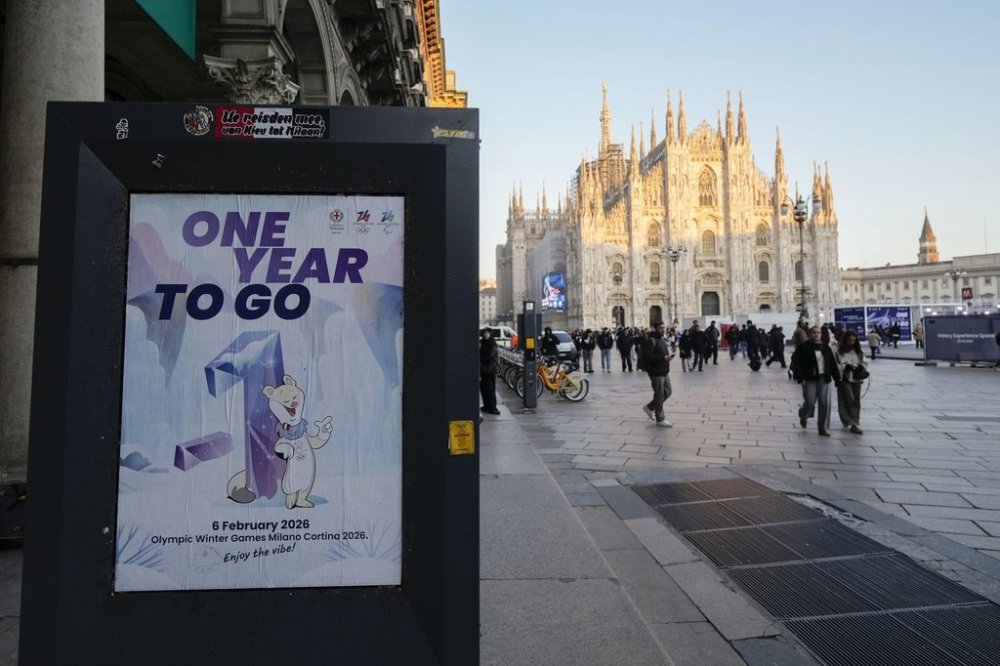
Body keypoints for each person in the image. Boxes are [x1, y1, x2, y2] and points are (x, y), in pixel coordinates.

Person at [790, 326, 842, 436]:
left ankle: (823, 428)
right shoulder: (803, 347)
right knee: (810, 401)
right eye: (814, 332)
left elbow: (832, 364)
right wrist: (800, 378)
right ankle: (803, 415)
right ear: (810, 334)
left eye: (818, 332)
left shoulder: (826, 348)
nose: (816, 334)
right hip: (809, 379)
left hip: (824, 378)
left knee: (825, 403)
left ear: (821, 335)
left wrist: (837, 379)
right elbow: (796, 363)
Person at [640, 321, 674, 427]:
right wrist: (662, 358)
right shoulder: (651, 340)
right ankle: (660, 418)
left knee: (668, 391)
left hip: (664, 370)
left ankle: (650, 407)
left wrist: (667, 358)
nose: (663, 330)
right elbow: (647, 357)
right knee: (659, 394)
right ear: (655, 329)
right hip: (656, 372)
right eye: (660, 328)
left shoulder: (662, 340)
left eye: (664, 328)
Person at [835, 331, 867, 434]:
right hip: (844, 378)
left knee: (856, 400)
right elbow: (835, 365)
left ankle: (855, 423)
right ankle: (849, 420)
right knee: (849, 399)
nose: (851, 342)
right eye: (849, 340)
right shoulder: (838, 351)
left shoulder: (858, 351)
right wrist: (845, 367)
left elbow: (865, 362)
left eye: (853, 340)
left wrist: (860, 367)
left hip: (857, 379)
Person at [479, 328, 501, 415]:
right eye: (484, 333)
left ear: (490, 334)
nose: (486, 334)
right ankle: (486, 405)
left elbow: (490, 357)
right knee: (483, 388)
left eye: (487, 333)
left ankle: (493, 407)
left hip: (490, 369)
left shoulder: (492, 344)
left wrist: (481, 359)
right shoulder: (482, 343)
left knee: (490, 389)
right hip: (483, 369)